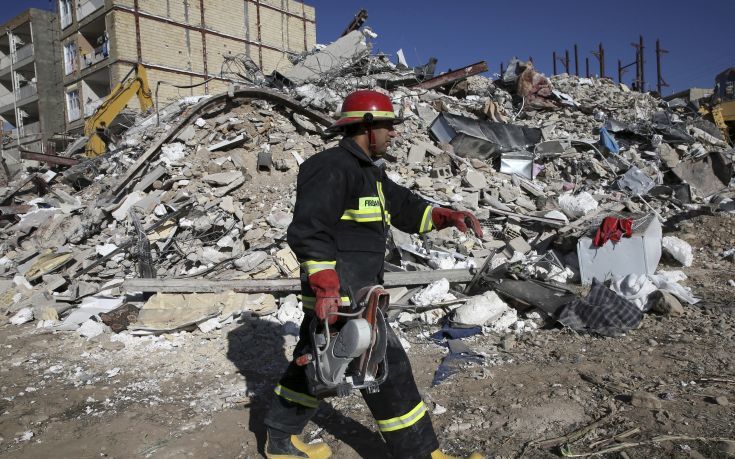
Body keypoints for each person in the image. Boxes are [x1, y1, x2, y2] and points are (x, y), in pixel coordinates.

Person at [263, 90, 485, 459]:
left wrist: (447, 216)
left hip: (357, 294)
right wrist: (326, 286)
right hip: (343, 297)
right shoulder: (330, 167)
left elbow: (407, 209)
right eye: (388, 126)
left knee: (314, 365)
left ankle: (280, 442)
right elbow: (308, 228)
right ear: (367, 127)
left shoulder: (371, 175)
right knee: (387, 371)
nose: (394, 134)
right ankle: (423, 455)